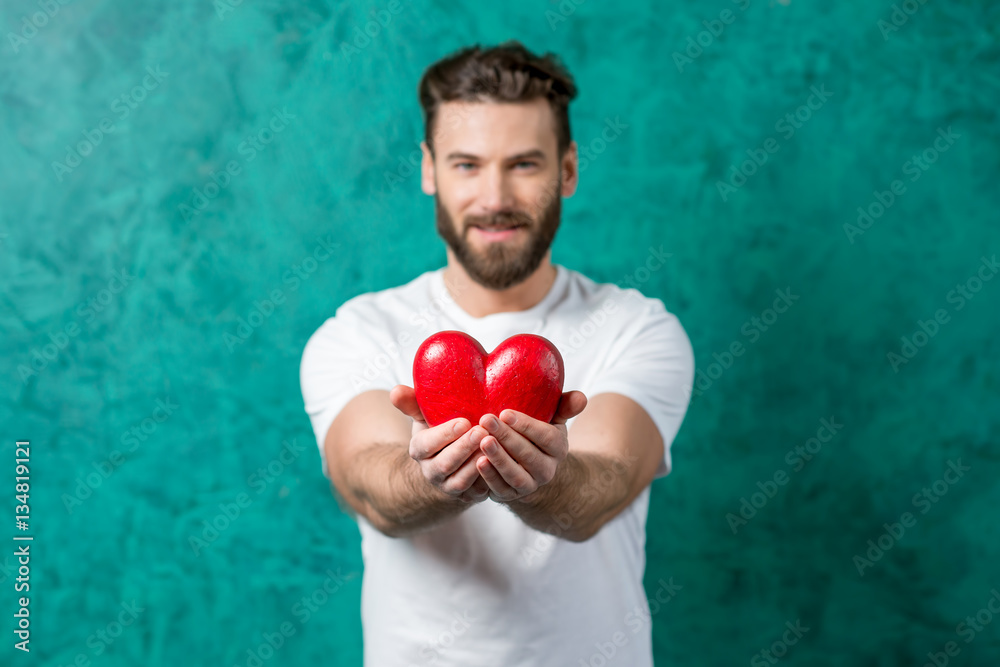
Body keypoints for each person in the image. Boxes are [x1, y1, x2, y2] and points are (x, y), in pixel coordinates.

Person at [299, 39, 694, 667]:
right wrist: (430, 475)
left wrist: (543, 482)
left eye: (524, 164)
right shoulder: (357, 333)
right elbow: (368, 486)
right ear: (429, 169)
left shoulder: (638, 328)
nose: (495, 197)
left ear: (567, 169)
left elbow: (606, 486)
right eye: (466, 165)